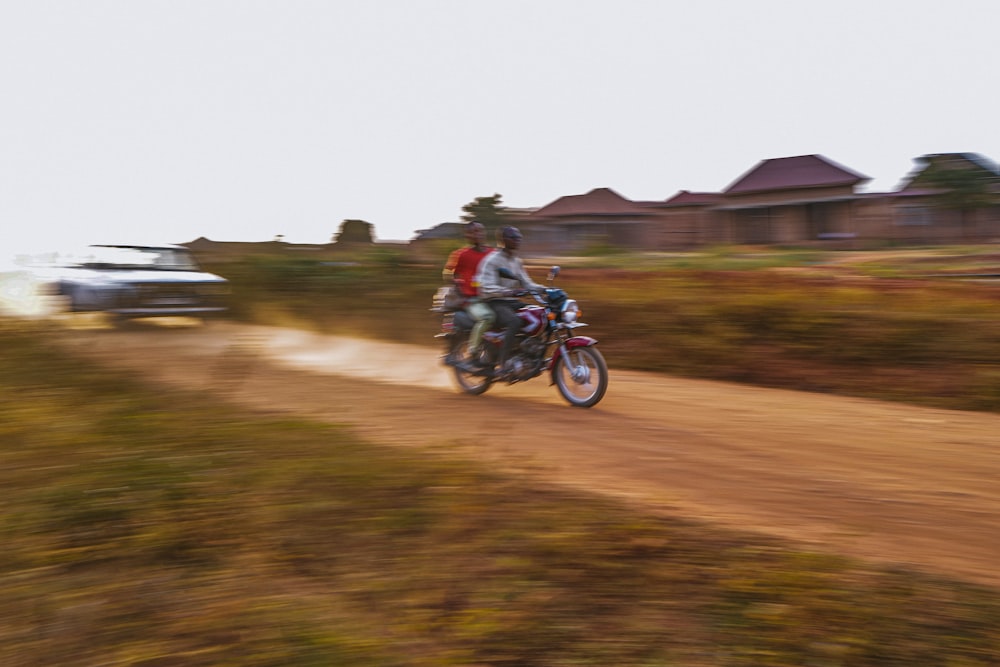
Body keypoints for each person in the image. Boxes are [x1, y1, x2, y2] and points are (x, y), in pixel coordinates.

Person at [474, 225, 544, 378]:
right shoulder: (492, 260)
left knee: (539, 315)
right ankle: (503, 363)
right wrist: (508, 291)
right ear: (504, 240)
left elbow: (527, 283)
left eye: (519, 238)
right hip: (494, 302)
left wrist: (546, 289)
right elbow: (486, 287)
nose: (518, 241)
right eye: (514, 238)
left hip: (511, 301)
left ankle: (529, 354)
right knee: (514, 322)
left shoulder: (516, 261)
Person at [442, 220, 495, 369]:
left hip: (492, 297)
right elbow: (448, 273)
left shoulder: (493, 253)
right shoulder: (461, 255)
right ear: (468, 235)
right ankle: (473, 354)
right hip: (472, 299)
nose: (478, 234)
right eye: (474, 232)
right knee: (486, 318)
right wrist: (459, 287)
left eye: (480, 231)